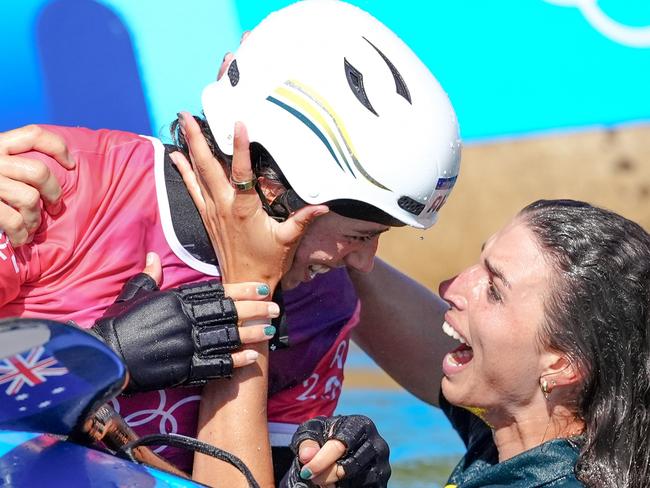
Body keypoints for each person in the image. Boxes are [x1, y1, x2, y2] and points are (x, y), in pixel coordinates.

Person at [0, 1, 461, 484]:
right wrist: (97, 357)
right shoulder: (54, 190)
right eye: (358, 235)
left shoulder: (324, 304)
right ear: (273, 185)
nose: (365, 264)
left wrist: (306, 478)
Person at [180, 138, 650, 487]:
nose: (450, 287)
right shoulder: (535, 441)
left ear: (562, 365)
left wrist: (242, 293)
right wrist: (301, 204)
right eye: (477, 264)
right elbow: (429, 341)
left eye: (495, 290)